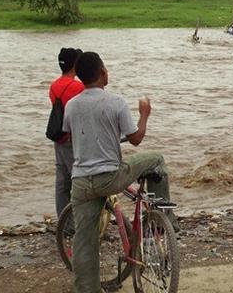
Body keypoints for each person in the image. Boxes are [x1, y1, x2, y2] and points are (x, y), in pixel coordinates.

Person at [64, 51, 177, 293]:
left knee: (84, 242)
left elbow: (76, 134)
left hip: (81, 182)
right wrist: (144, 114)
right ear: (103, 73)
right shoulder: (115, 102)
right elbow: (136, 139)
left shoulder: (71, 106)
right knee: (156, 159)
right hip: (110, 177)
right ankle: (163, 219)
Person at [49, 47, 84, 219]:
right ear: (75, 65)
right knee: (80, 180)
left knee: (62, 181)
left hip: (59, 137)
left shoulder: (54, 86)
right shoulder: (78, 86)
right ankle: (80, 220)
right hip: (74, 138)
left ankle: (63, 220)